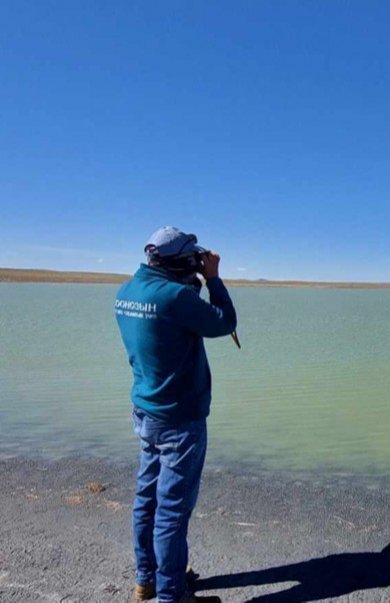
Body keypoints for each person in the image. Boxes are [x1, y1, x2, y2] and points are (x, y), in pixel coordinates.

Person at [115, 226, 237, 603]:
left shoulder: (127, 293)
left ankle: (146, 579)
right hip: (179, 419)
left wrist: (190, 279)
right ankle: (172, 596)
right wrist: (213, 279)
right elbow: (223, 321)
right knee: (172, 513)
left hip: (147, 411)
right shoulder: (175, 298)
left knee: (147, 499)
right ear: (181, 261)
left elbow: (173, 321)